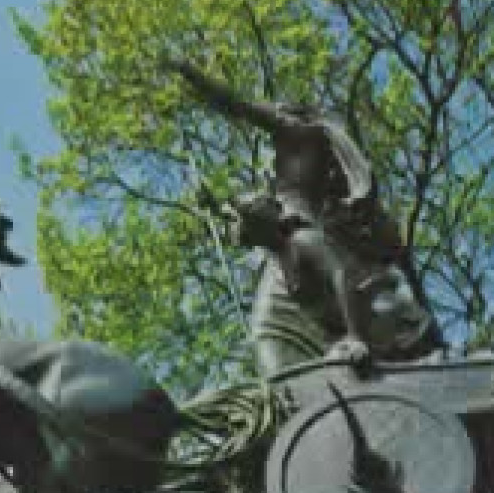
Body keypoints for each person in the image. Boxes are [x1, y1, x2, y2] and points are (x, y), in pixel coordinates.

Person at [164, 57, 442, 372]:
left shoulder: (299, 135)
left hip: (298, 235)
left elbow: (235, 104)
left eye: (275, 111)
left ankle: (350, 347)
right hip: (281, 251)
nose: (269, 114)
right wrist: (217, 207)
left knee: (269, 325)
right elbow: (248, 223)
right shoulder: (291, 156)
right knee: (267, 327)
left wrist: (189, 72)